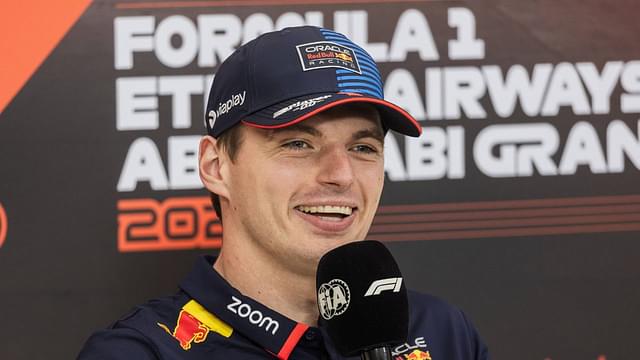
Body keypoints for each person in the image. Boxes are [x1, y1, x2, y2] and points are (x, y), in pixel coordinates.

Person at [78, 26, 489, 360]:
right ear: (215, 166)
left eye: (362, 147)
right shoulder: (142, 352)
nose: (341, 174)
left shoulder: (441, 332)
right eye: (298, 144)